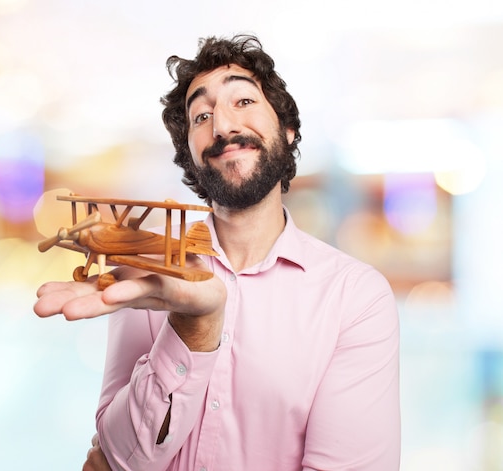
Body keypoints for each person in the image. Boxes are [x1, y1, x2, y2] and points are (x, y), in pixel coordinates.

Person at [34, 34, 401, 471]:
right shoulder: (147, 273)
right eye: (201, 115)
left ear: (287, 130)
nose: (222, 126)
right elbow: (120, 459)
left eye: (243, 101)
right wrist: (194, 329)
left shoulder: (355, 298)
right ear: (189, 156)